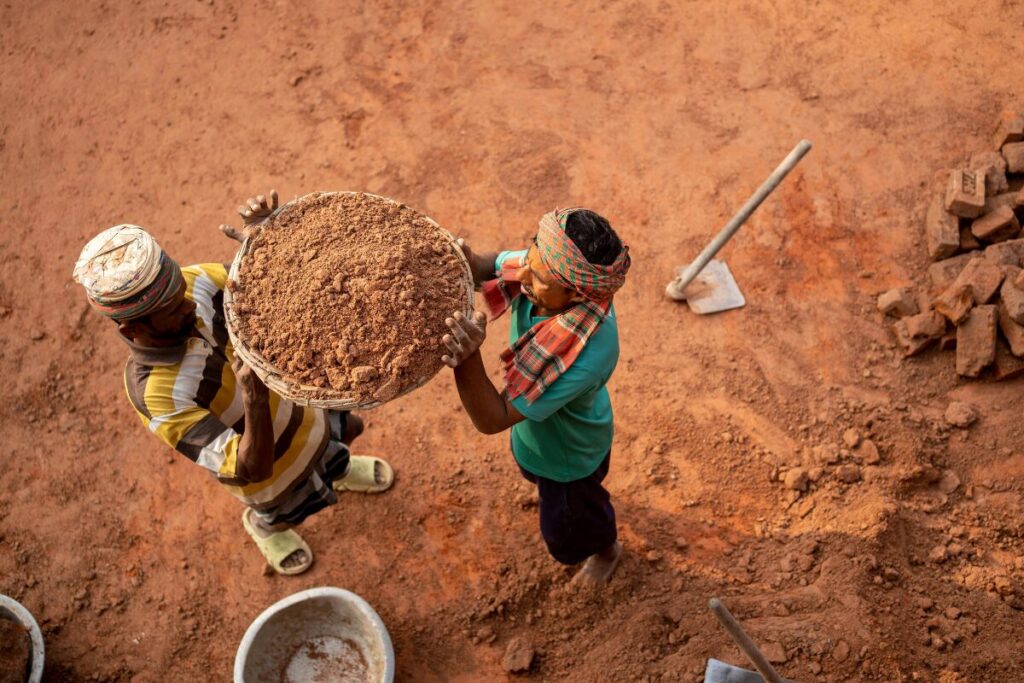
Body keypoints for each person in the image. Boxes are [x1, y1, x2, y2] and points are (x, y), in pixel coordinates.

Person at [72, 191, 394, 575]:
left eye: (182, 293)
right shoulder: (156, 395)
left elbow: (269, 291)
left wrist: (271, 241)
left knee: (348, 430)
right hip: (274, 475)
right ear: (133, 328)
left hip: (309, 408)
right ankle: (265, 527)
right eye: (174, 309)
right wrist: (254, 398)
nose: (190, 304)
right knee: (291, 509)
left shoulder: (196, 284)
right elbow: (248, 468)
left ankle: (338, 469)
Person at [441, 208, 631, 585]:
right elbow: (490, 266)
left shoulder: (583, 354)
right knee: (537, 475)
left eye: (538, 277)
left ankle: (606, 550)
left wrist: (466, 358)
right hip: (537, 436)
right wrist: (464, 259)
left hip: (567, 458)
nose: (521, 273)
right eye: (531, 253)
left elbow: (493, 418)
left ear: (574, 292)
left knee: (570, 530)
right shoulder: (545, 266)